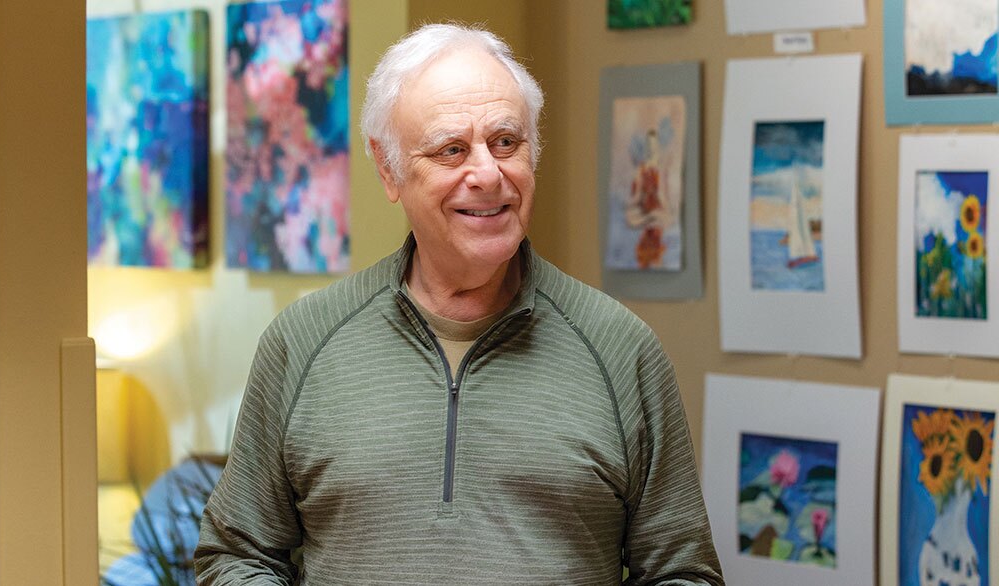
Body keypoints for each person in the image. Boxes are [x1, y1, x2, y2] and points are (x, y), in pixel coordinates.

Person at [195, 23, 723, 585]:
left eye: (506, 142)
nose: (489, 175)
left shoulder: (621, 349)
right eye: (452, 149)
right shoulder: (302, 340)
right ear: (388, 167)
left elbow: (684, 572)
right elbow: (235, 555)